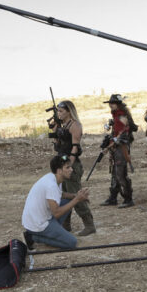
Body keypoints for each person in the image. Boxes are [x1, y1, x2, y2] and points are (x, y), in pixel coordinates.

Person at [22, 155, 91, 250]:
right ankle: (34, 237)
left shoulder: (54, 178)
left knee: (68, 200)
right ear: (59, 171)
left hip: (39, 218)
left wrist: (75, 196)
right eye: (67, 167)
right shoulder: (51, 185)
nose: (71, 169)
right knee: (72, 243)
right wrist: (77, 199)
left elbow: (60, 194)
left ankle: (54, 230)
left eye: (70, 166)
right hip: (38, 224)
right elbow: (57, 213)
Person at [52, 100, 96, 236]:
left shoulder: (75, 125)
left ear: (69, 111)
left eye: (61, 111)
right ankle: (66, 224)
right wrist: (55, 131)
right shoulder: (63, 125)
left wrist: (68, 166)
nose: (59, 113)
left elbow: (75, 148)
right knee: (64, 195)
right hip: (62, 163)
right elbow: (57, 144)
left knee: (76, 194)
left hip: (71, 164)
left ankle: (89, 225)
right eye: (58, 111)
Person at [100, 94, 136, 208]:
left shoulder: (122, 116)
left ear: (118, 104)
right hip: (116, 148)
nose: (111, 105)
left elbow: (123, 136)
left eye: (113, 103)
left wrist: (110, 145)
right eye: (110, 103)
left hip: (122, 148)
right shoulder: (116, 116)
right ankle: (113, 197)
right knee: (115, 173)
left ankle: (128, 198)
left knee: (120, 173)